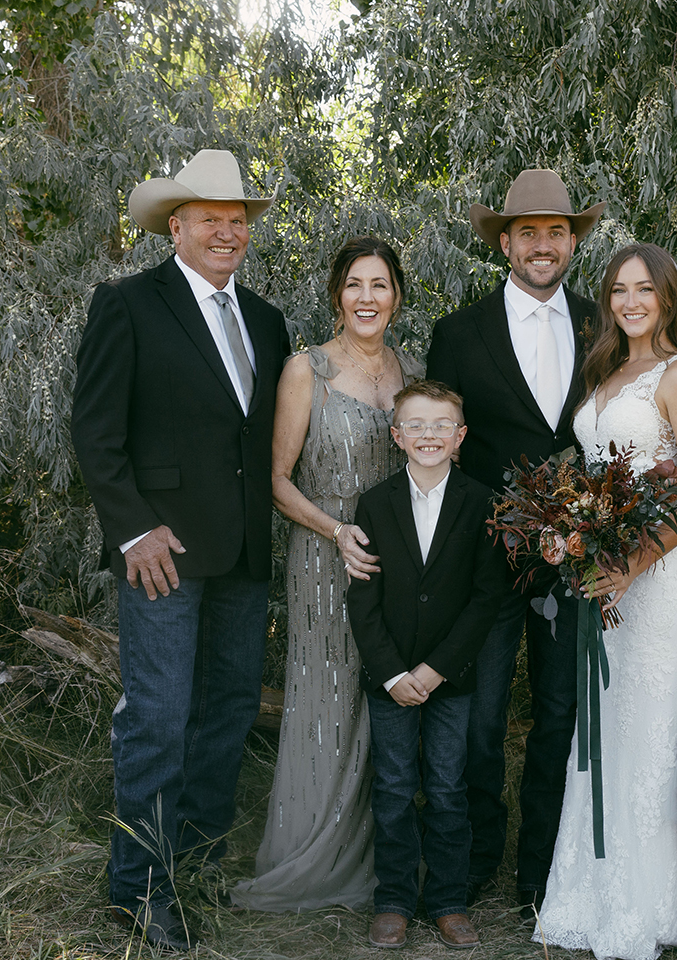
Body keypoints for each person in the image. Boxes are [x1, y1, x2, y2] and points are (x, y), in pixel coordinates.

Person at [71, 149, 290, 951]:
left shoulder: (265, 319)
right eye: (211, 220)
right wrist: (132, 528)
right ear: (177, 226)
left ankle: (192, 867)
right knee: (158, 717)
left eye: (238, 222)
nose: (228, 233)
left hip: (240, 551)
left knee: (228, 714)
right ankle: (139, 891)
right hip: (157, 551)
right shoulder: (127, 304)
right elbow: (95, 433)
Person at [425, 169, 604, 920]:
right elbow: (444, 457)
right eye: (526, 231)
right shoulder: (457, 333)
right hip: (488, 563)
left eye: (555, 232)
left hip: (579, 560)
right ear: (504, 241)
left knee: (562, 715)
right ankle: (470, 866)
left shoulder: (605, 325)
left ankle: (542, 875)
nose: (541, 245)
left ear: (573, 242)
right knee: (482, 717)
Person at [535, 242, 677, 960]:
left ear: (669, 297)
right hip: (609, 569)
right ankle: (588, 893)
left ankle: (649, 907)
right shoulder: (607, 370)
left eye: (645, 289)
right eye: (619, 290)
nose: (631, 301)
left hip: (664, 574)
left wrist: (634, 563)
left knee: (650, 728)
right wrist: (576, 538)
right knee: (604, 724)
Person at [232, 237, 421, 913]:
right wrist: (336, 532)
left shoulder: (413, 369)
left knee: (387, 700)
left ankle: (386, 854)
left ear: (398, 295)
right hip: (326, 556)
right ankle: (311, 851)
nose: (367, 298)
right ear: (336, 294)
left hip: (400, 562)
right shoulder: (303, 370)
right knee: (328, 700)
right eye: (354, 285)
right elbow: (276, 481)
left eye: (380, 285)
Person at [346, 380, 508, 951]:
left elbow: (487, 597)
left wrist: (436, 669)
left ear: (460, 437)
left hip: (451, 676)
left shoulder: (482, 501)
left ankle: (445, 899)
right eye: (416, 424)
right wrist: (392, 673)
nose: (429, 435)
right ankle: (392, 898)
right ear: (397, 436)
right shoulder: (375, 502)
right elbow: (361, 599)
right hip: (389, 678)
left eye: (442, 425)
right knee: (392, 786)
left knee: (446, 785)